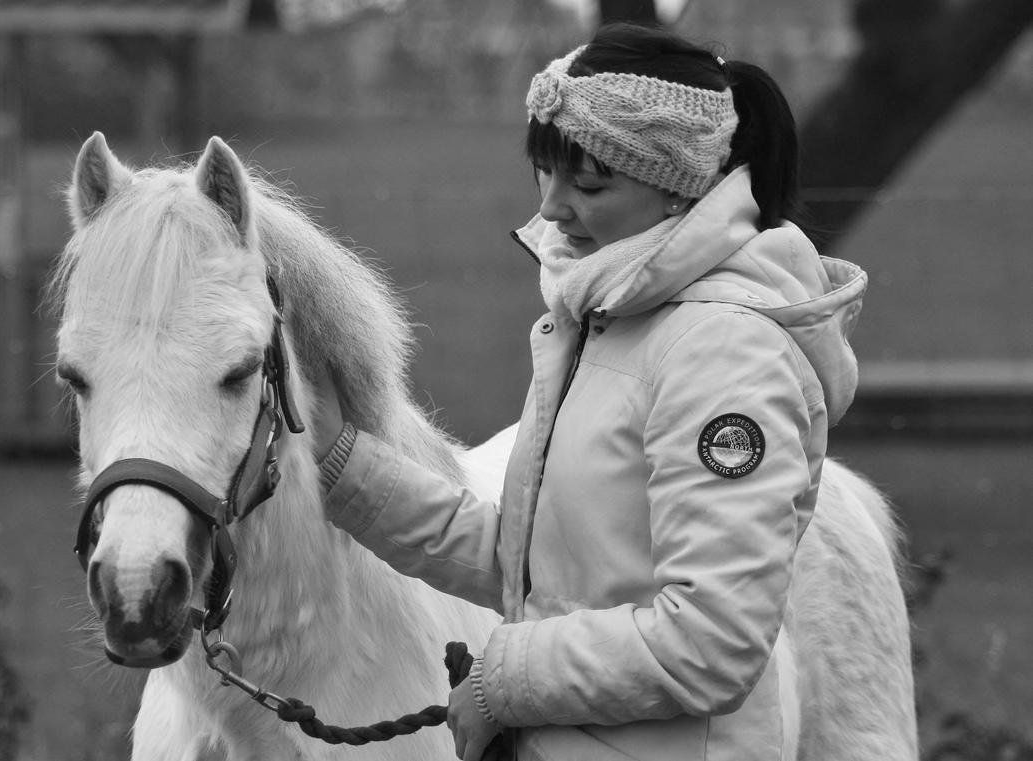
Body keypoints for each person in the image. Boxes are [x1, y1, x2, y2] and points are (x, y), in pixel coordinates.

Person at [311, 22, 866, 761]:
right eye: (544, 172)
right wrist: (338, 463)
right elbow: (539, 565)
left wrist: (501, 681)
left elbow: (711, 640)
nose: (551, 207)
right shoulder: (607, 322)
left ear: (678, 186)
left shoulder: (723, 353)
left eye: (589, 182)